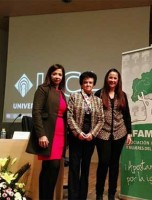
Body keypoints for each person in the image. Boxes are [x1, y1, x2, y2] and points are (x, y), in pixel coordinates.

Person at [26, 64, 67, 200]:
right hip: (48, 134)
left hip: (60, 135)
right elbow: (36, 112)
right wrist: (41, 134)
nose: (57, 77)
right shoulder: (43, 89)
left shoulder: (61, 93)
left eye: (60, 74)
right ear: (49, 75)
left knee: (55, 170)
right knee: (49, 167)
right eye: (54, 74)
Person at [94, 68, 132, 200]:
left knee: (114, 164)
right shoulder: (99, 94)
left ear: (118, 80)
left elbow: (127, 115)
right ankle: (99, 193)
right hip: (102, 134)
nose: (113, 80)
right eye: (110, 77)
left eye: (115, 78)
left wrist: (129, 133)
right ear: (106, 78)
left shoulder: (122, 95)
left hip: (119, 133)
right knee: (103, 162)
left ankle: (111, 193)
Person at [67, 71, 104, 200]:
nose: (88, 84)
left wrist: (92, 134)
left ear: (93, 84)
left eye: (90, 82)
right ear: (81, 84)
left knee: (86, 167)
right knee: (74, 168)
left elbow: (101, 120)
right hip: (76, 138)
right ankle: (73, 196)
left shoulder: (98, 101)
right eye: (85, 82)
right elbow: (69, 116)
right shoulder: (74, 96)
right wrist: (78, 132)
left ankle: (82, 197)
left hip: (90, 139)